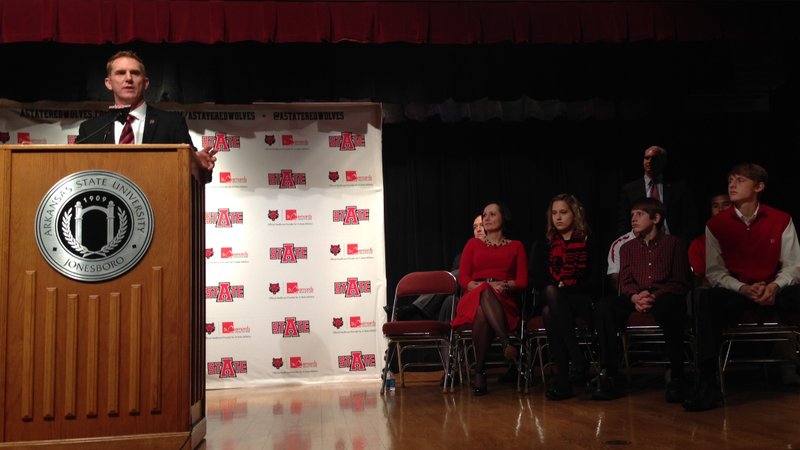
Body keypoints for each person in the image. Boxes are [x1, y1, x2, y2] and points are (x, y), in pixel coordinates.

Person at [684, 163, 800, 412]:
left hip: (772, 288)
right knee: (707, 299)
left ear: (758, 187)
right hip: (737, 291)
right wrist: (743, 288)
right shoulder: (716, 225)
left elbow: (793, 265)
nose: (732, 185)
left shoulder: (781, 219)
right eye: (730, 180)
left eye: (740, 180)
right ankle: (708, 383)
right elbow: (715, 272)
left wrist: (775, 286)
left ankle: (791, 366)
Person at [593, 197, 690, 403]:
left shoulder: (674, 244)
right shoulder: (627, 248)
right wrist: (635, 296)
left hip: (663, 295)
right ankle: (611, 374)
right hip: (635, 295)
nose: (633, 219)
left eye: (639, 214)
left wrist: (654, 295)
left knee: (672, 305)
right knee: (605, 306)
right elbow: (625, 281)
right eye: (631, 215)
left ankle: (677, 375)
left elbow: (680, 282)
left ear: (656, 218)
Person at [76, 50, 216, 181]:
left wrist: (199, 167)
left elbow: (197, 177)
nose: (128, 78)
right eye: (120, 73)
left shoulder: (171, 124)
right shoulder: (90, 129)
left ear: (146, 83)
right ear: (108, 83)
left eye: (135, 73)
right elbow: (75, 173)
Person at [451, 202, 528, 395]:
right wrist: (484, 286)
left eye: (492, 214)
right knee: (484, 292)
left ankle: (480, 371)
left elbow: (522, 281)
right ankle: (505, 342)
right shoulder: (472, 244)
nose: (486, 218)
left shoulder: (516, 246)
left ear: (504, 218)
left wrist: (502, 285)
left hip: (504, 300)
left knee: (482, 312)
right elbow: (464, 278)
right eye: (485, 214)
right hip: (473, 296)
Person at [531, 194, 600, 400]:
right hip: (553, 297)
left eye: (563, 212)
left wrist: (566, 287)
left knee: (549, 313)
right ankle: (577, 360)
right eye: (554, 213)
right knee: (551, 297)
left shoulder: (588, 241)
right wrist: (557, 288)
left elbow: (595, 281)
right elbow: (538, 281)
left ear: (575, 214)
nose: (558, 217)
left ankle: (564, 381)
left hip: (581, 299)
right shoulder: (544, 244)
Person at [410, 214, 485, 321]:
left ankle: (417, 309)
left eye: (481, 225)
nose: (478, 230)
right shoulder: (461, 257)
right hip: (463, 295)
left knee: (454, 275)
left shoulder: (497, 251)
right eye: (475, 227)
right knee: (449, 300)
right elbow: (454, 287)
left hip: (484, 295)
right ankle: (440, 334)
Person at [617, 146, 697, 242]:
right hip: (641, 244)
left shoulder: (678, 187)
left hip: (673, 242)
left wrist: (682, 241)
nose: (649, 161)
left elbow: (689, 218)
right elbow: (623, 223)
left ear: (663, 161)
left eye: (654, 158)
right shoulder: (630, 190)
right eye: (647, 158)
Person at [687, 194, 732, 286]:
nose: (720, 209)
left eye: (726, 204)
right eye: (715, 206)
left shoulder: (744, 236)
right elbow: (700, 279)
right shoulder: (698, 243)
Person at [606, 229, 636, 295]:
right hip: (630, 296)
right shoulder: (620, 243)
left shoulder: (663, 241)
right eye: (632, 217)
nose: (634, 220)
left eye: (640, 217)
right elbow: (614, 277)